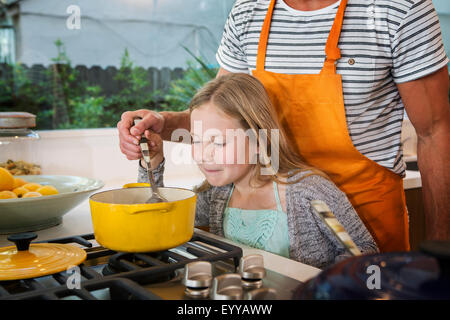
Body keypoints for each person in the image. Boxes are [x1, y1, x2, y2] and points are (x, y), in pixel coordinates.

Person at [117, 0, 450, 252]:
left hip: (368, 221)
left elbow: (436, 132)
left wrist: (441, 250)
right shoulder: (249, 10)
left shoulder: (400, 9)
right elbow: (225, 118)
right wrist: (164, 126)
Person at [138, 73, 378, 269]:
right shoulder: (215, 194)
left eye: (219, 143)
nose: (202, 154)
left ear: (258, 141)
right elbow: (157, 224)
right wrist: (152, 163)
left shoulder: (309, 192)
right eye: (197, 141)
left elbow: (362, 253)